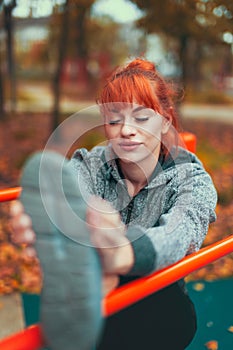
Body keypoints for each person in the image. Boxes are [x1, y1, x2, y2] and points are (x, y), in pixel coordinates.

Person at [10, 57, 217, 350]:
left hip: (161, 304)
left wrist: (123, 252)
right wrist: (39, 215)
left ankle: (100, 279)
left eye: (142, 118)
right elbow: (69, 188)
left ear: (165, 121)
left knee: (148, 301)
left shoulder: (190, 179)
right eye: (114, 118)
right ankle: (94, 284)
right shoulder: (92, 163)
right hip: (98, 306)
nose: (126, 130)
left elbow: (183, 230)